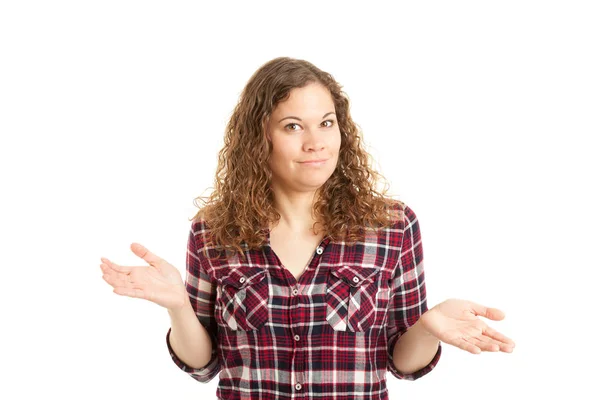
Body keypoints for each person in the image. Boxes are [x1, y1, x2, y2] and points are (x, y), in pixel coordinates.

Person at [99, 57, 515, 399]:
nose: (315, 142)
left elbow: (403, 364)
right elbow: (203, 364)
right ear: (260, 138)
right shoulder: (214, 232)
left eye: (327, 123)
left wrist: (428, 324)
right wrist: (178, 306)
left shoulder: (391, 226)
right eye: (293, 126)